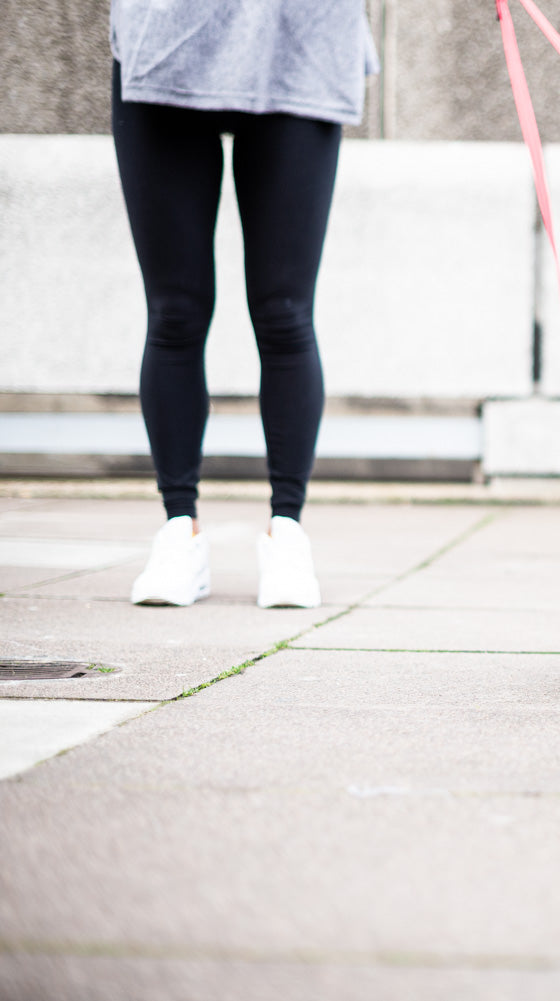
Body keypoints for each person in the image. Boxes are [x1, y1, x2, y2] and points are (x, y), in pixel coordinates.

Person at [110, 0, 378, 608]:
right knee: (175, 311)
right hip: (168, 32)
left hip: (300, 36)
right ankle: (180, 527)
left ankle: (286, 530)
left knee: (285, 313)